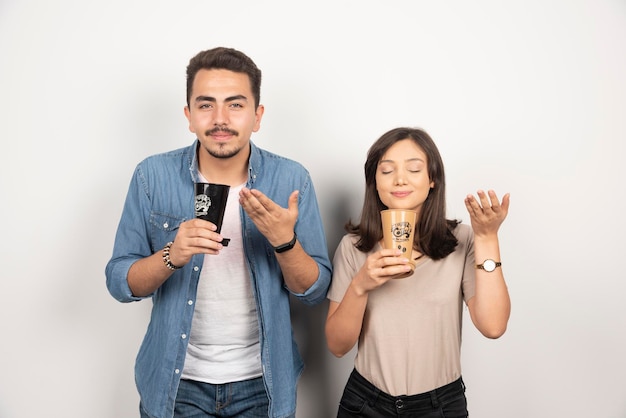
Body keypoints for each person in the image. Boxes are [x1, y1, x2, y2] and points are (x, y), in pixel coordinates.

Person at [105, 47, 332, 418]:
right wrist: (171, 255)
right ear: (189, 116)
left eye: (236, 105)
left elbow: (314, 291)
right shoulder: (152, 176)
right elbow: (119, 282)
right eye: (206, 105)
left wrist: (284, 243)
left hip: (263, 384)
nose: (220, 119)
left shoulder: (291, 180)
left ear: (257, 116)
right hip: (176, 384)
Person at [325, 127, 511, 417]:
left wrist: (487, 238)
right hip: (366, 403)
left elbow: (493, 326)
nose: (399, 179)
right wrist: (360, 285)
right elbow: (337, 346)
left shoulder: (462, 240)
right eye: (386, 171)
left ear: (432, 179)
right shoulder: (354, 247)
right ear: (374, 181)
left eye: (414, 169)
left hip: (440, 406)